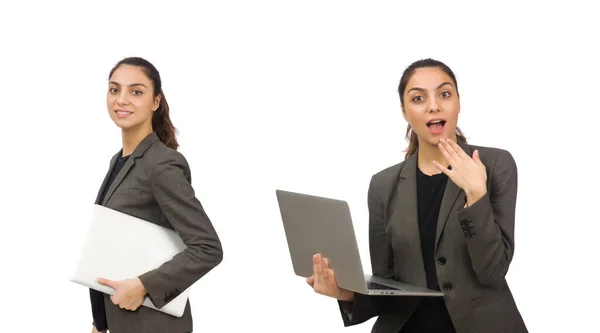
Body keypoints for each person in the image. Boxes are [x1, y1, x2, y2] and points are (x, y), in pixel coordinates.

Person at [307, 58, 528, 333]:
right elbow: (387, 284)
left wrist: (476, 194)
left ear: (458, 102)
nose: (433, 105)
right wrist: (344, 292)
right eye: (418, 98)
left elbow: (492, 271)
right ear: (404, 111)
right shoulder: (383, 185)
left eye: (444, 94)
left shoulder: (495, 165)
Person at [89, 57, 223, 333]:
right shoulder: (119, 161)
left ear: (155, 102)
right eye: (115, 90)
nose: (121, 99)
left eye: (136, 91)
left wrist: (143, 286)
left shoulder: (162, 163)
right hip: (118, 322)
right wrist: (99, 324)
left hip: (152, 325)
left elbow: (207, 249)